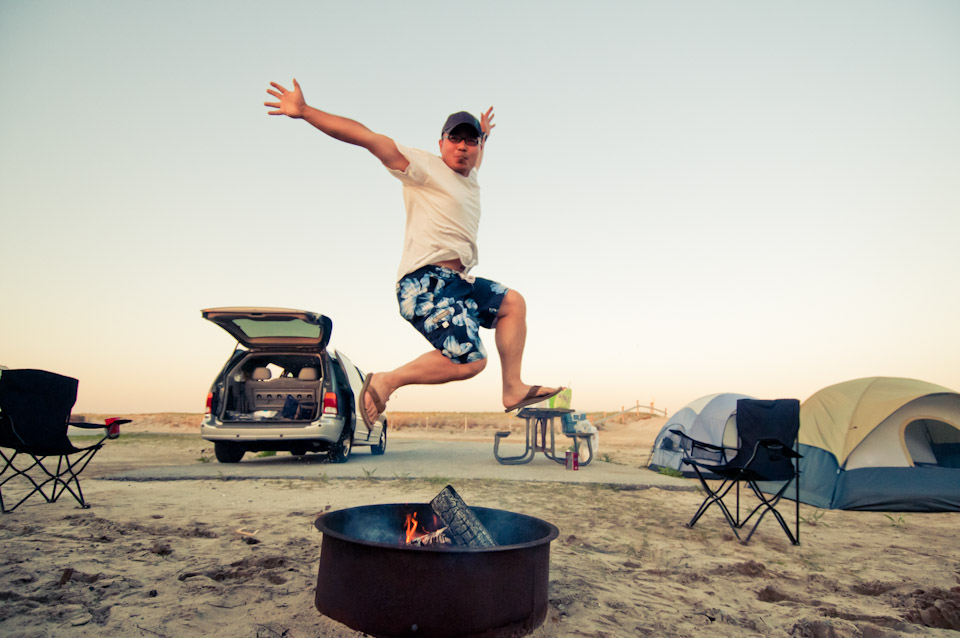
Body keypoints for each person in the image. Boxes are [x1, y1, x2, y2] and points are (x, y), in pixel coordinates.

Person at [265, 79, 562, 426]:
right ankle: (386, 381)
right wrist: (304, 111)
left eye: (471, 141)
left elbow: (475, 153)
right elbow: (367, 137)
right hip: (425, 283)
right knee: (470, 362)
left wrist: (484, 134)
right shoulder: (423, 166)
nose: (462, 147)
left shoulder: (471, 177)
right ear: (441, 142)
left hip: (458, 283)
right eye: (455, 139)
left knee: (513, 303)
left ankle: (512, 388)